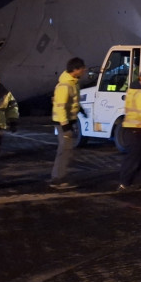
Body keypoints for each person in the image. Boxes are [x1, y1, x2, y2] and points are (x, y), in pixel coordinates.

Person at [50, 57, 86, 190]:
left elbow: (72, 102)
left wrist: (80, 109)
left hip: (69, 121)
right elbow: (60, 107)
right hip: (63, 123)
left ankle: (60, 176)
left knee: (67, 150)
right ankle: (58, 179)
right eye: (82, 68)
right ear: (76, 70)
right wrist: (65, 126)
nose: (84, 70)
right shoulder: (65, 85)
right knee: (64, 150)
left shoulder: (73, 83)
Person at [118, 68, 141, 191]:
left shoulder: (134, 90)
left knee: (138, 156)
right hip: (135, 128)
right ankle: (125, 184)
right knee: (134, 157)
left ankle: (132, 181)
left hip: (132, 128)